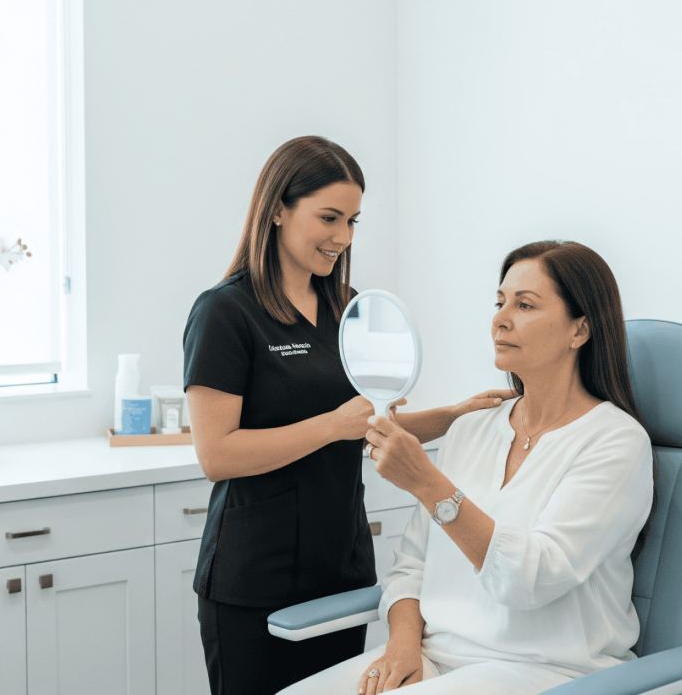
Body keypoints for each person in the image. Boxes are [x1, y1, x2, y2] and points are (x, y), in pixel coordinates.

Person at [182, 135, 517, 695]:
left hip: (340, 567)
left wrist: (457, 416)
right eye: (329, 217)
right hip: (254, 578)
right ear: (277, 211)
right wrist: (332, 426)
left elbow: (370, 424)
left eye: (354, 221)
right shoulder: (225, 312)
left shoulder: (347, 305)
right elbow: (217, 455)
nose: (343, 237)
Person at [277, 239, 657, 695]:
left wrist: (426, 482)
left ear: (579, 330)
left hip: (546, 672)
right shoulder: (471, 429)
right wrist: (402, 646)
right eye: (500, 302)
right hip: (435, 658)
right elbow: (411, 568)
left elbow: (530, 580)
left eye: (526, 304)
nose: (500, 318)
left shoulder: (615, 442)